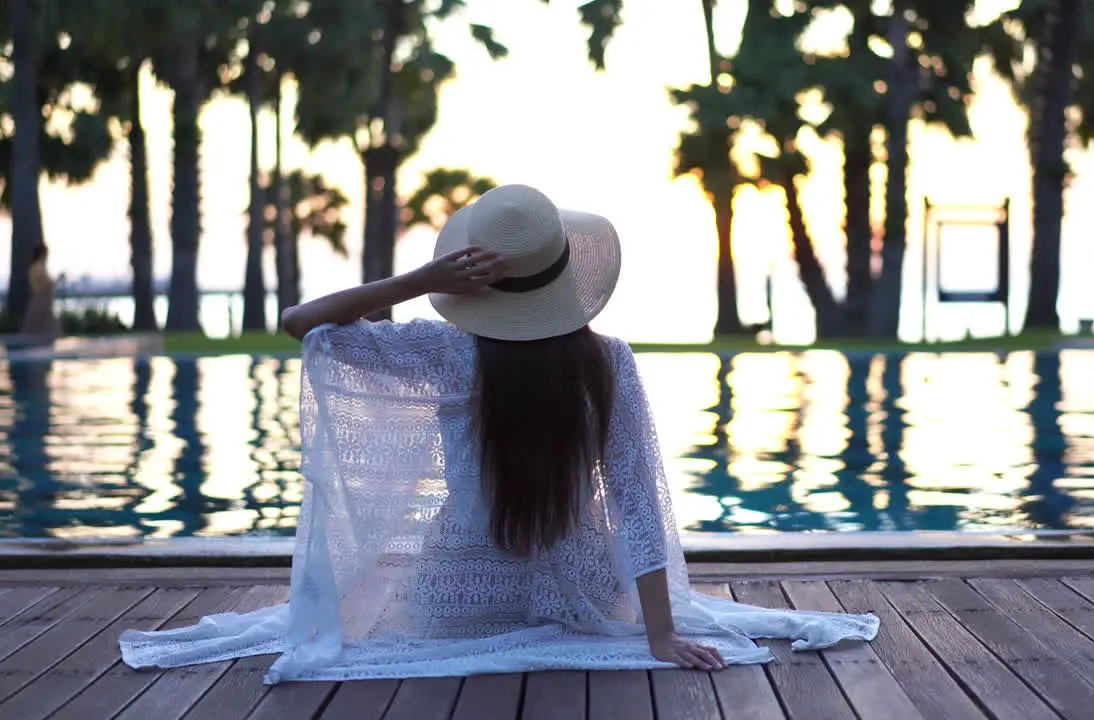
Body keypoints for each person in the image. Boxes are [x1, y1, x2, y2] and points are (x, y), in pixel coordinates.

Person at [118, 184, 878, 683]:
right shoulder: (606, 362)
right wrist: (658, 636)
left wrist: (420, 280)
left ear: (472, 282)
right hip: (580, 586)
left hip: (457, 595)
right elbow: (638, 507)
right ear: (562, 273)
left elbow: (301, 326)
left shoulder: (443, 348)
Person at [20, 243, 60, 340]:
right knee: (43, 328)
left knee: (37, 328)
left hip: (39, 300)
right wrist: (59, 279)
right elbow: (46, 284)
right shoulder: (39, 267)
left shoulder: (34, 267)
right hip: (42, 301)